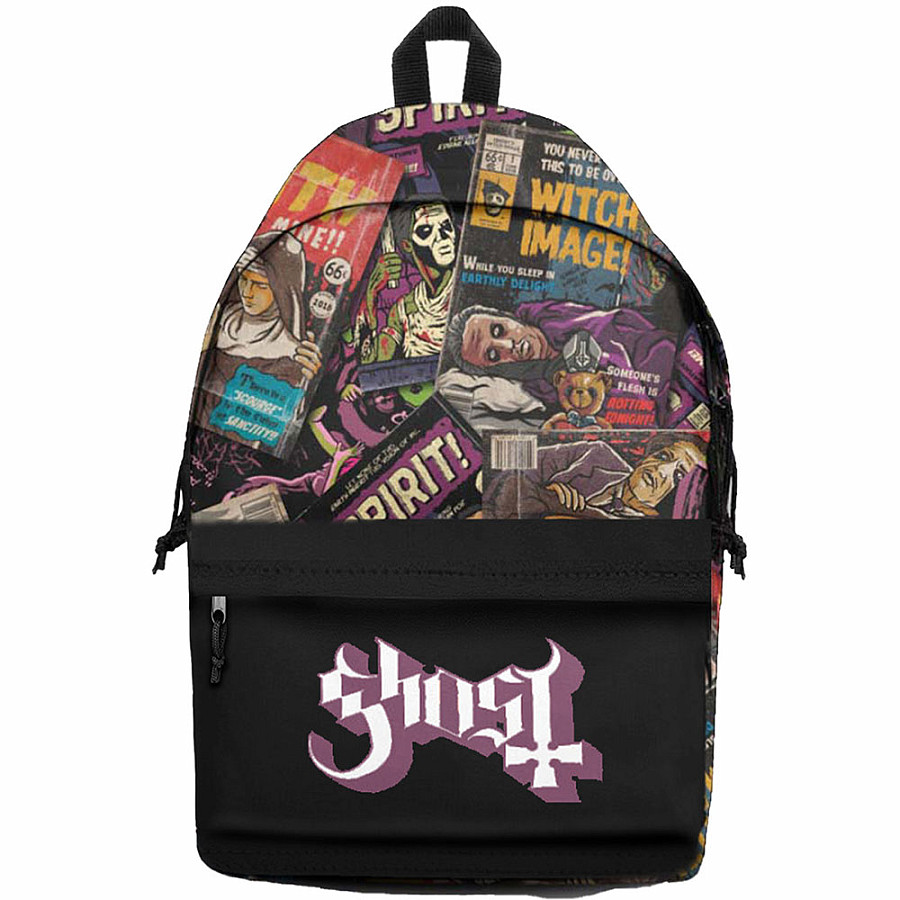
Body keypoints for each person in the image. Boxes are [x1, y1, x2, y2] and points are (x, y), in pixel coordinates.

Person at [441, 300, 676, 425]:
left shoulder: (553, 318)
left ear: (507, 316)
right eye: (493, 355)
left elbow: (609, 337)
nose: (508, 345)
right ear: (497, 371)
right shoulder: (540, 390)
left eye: (498, 330)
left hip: (673, 363)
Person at [484, 433, 707, 520]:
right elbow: (503, 461)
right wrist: (544, 488)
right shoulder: (596, 454)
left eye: (678, 476)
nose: (661, 469)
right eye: (663, 456)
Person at [358, 199, 457, 362]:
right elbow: (371, 362)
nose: (442, 237)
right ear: (407, 245)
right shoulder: (403, 310)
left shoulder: (465, 289)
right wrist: (372, 292)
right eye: (426, 231)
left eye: (446, 226)